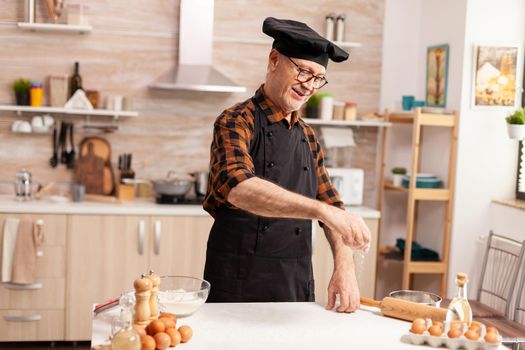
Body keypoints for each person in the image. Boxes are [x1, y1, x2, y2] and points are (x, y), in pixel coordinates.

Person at [202, 17, 371, 313]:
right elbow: (238, 187)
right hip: (238, 285)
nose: (309, 86)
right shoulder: (236, 120)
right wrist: (320, 210)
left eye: (318, 78)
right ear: (274, 60)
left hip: (295, 284)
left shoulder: (307, 135)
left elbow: (333, 206)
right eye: (303, 71)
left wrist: (345, 268)